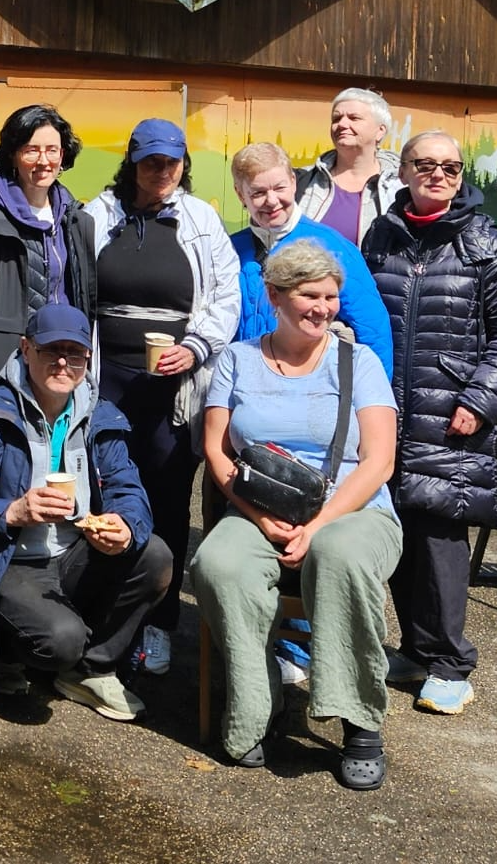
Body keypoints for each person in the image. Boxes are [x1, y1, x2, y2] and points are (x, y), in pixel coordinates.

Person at [190, 240, 401, 788]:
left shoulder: (359, 362)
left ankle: (359, 721)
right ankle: (257, 708)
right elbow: (218, 450)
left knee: (338, 557)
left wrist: (320, 522)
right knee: (219, 563)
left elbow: (379, 462)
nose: (323, 308)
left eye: (331, 297)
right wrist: (254, 517)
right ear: (276, 296)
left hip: (354, 511)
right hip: (261, 509)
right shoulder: (237, 359)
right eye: (310, 295)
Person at [0, 304, 169, 724]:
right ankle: (7, 652)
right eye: (52, 350)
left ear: (89, 358)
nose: (63, 362)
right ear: (25, 349)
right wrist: (10, 510)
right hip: (6, 559)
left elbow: (127, 486)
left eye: (76, 353)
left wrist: (124, 524)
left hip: (72, 552)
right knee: (59, 640)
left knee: (153, 555)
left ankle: (91, 668)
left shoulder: (100, 415)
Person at [363, 131, 497, 716]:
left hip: (451, 410)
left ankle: (452, 664)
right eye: (426, 165)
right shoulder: (380, 237)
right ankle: (414, 648)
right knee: (398, 528)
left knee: (440, 536)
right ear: (402, 170)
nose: (439, 174)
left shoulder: (486, 241)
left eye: (451, 167)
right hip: (386, 411)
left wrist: (481, 400)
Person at [84, 118, 239, 675]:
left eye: (170, 161)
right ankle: (100, 612)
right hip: (105, 378)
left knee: (168, 500)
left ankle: (160, 620)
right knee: (100, 493)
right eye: (150, 160)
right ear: (131, 159)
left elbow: (226, 296)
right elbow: (75, 289)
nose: (161, 171)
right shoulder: (96, 216)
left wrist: (195, 347)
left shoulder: (200, 219)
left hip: (172, 386)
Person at [0, 104, 96, 415]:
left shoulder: (75, 218)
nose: (44, 161)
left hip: (60, 365)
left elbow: (83, 299)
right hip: (3, 365)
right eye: (32, 150)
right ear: (13, 154)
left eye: (52, 151)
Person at [229, 142, 393, 373]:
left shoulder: (332, 247)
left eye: (279, 188)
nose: (271, 200)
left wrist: (375, 402)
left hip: (309, 387)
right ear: (240, 194)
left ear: (294, 183)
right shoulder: (230, 249)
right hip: (243, 382)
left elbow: (373, 328)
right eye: (258, 193)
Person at [294, 88, 403, 246]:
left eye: (354, 118)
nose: (342, 124)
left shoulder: (401, 185)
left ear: (380, 131)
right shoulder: (303, 180)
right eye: (336, 118)